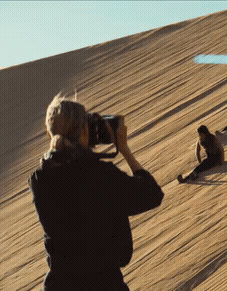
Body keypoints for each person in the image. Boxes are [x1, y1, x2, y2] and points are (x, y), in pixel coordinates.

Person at [29, 95, 164, 290]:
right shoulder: (100, 176)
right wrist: (123, 147)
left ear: (50, 135)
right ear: (84, 130)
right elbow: (151, 195)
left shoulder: (40, 180)